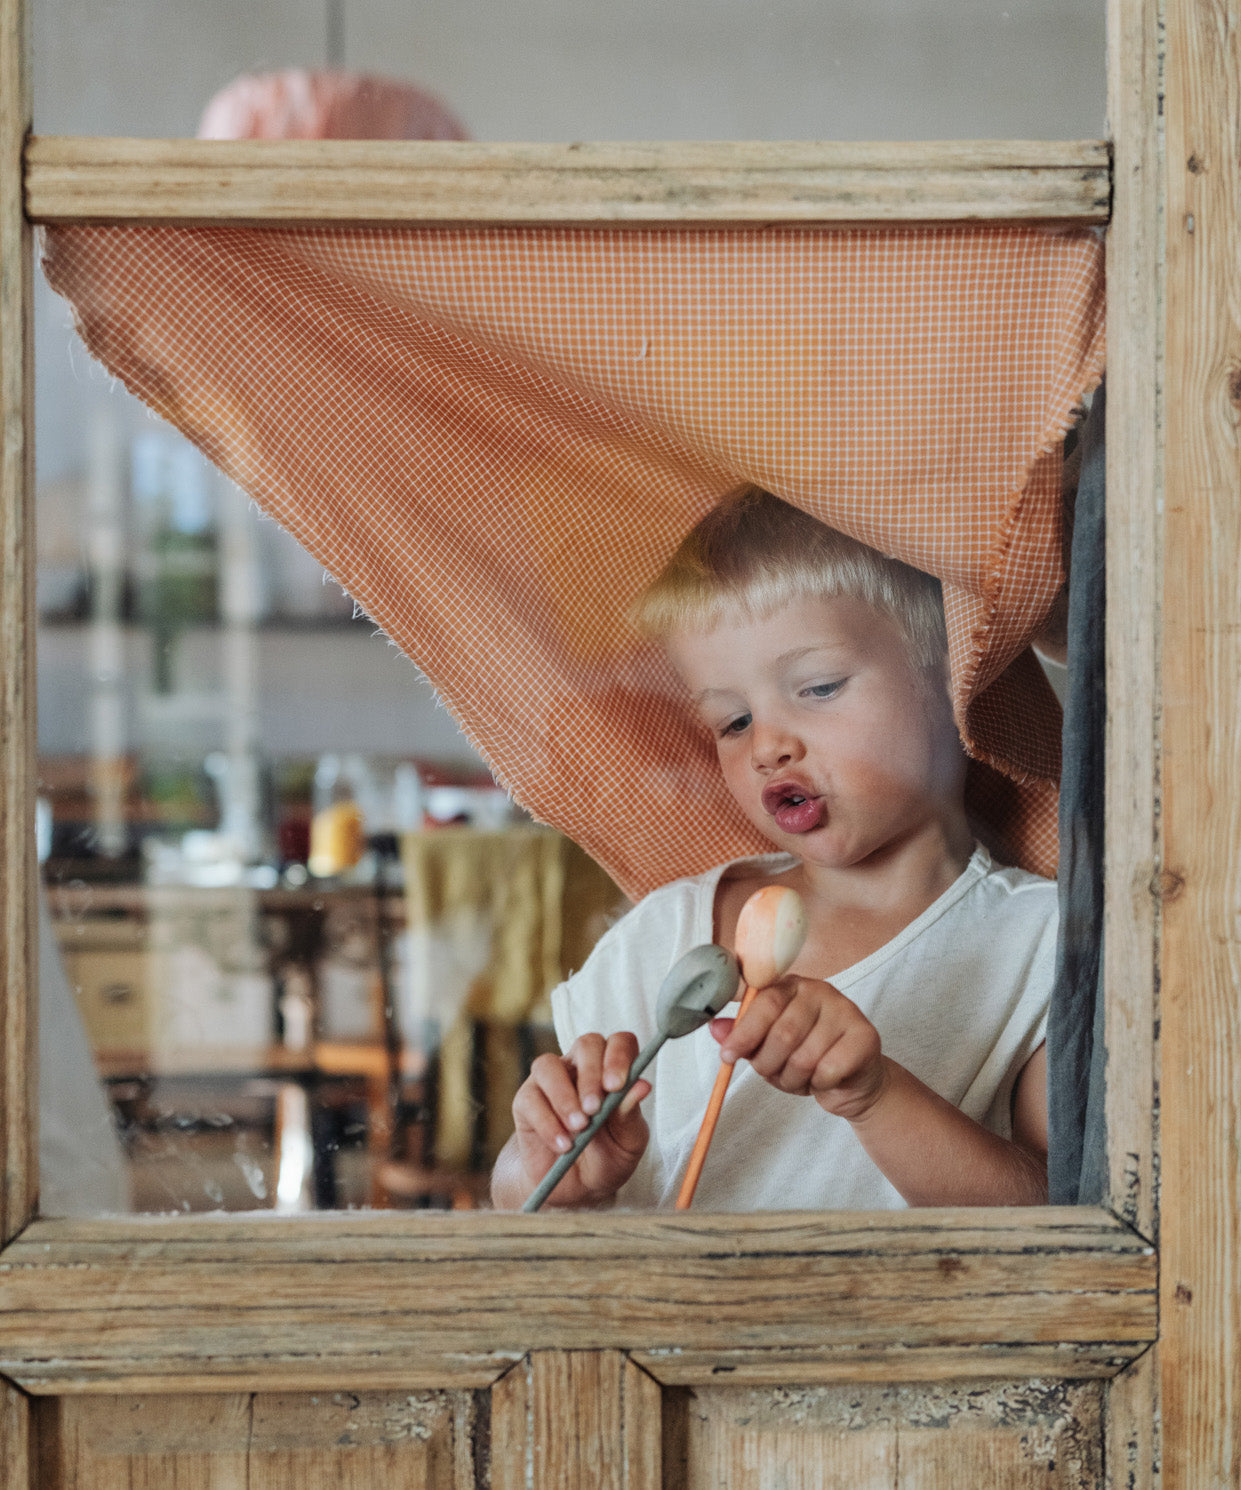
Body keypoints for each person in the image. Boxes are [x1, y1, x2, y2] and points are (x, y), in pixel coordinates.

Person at [491, 487, 1053, 1211]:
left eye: (817, 688)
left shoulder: (1042, 943)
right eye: (731, 721)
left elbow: (1054, 1216)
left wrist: (872, 1094)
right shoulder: (662, 938)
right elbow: (531, 1222)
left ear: (948, 677)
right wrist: (544, 1177)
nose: (767, 745)